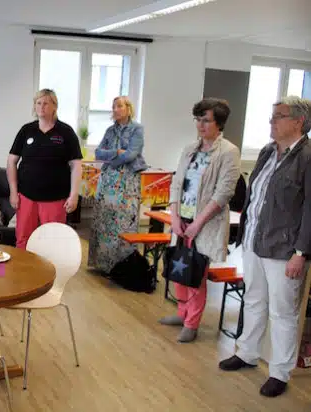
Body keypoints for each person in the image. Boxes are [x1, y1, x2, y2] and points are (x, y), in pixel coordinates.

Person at [219, 96, 311, 397]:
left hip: (285, 250)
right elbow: (255, 196)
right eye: (272, 116)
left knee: (283, 312)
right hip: (255, 241)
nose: (271, 122)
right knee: (254, 300)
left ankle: (280, 372)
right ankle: (247, 352)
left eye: (278, 117)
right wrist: (243, 234)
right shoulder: (268, 151)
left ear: (298, 122)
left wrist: (301, 252)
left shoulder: (307, 157)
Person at [159, 98, 241, 343]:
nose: (200, 125)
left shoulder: (228, 152)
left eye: (206, 120)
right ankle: (182, 313)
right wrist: (174, 216)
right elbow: (176, 183)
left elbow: (223, 193)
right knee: (178, 266)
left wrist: (197, 223)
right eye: (198, 119)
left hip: (204, 222)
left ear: (219, 123)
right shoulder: (189, 149)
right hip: (181, 218)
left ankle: (192, 322)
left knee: (196, 271)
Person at [7, 89, 82, 249]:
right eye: (38, 103)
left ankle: (51, 273)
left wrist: (74, 195)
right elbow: (11, 161)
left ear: (54, 106)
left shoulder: (66, 132)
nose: (42, 107)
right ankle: (25, 273)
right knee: (23, 239)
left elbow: (76, 165)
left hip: (55, 198)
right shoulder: (26, 130)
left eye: (46, 103)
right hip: (26, 197)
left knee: (52, 241)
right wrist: (13, 192)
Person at [88, 96, 147, 272]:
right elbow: (98, 153)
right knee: (105, 220)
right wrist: (116, 152)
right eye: (114, 107)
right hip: (108, 182)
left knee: (122, 223)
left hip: (127, 181)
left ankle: (122, 267)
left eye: (119, 106)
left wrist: (112, 159)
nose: (115, 110)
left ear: (128, 108)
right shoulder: (109, 131)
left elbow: (131, 155)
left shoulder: (137, 129)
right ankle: (103, 264)